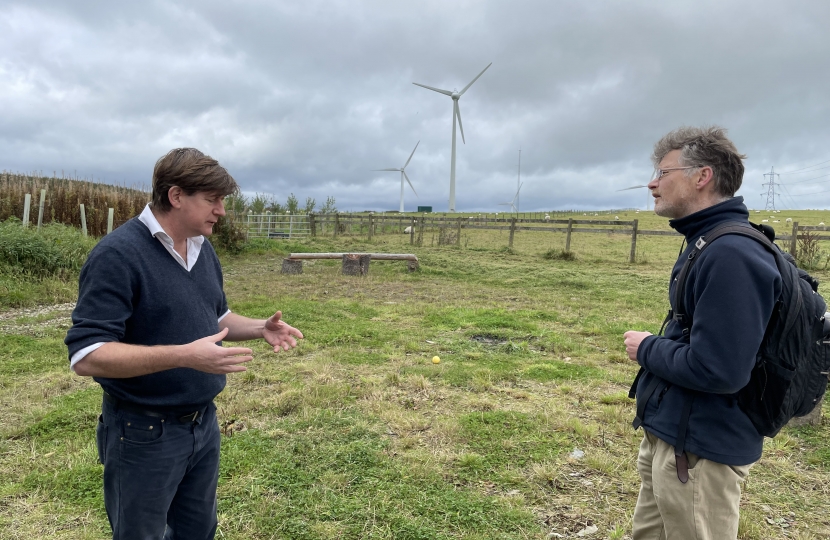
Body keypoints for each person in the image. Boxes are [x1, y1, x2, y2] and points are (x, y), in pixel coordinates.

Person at [65, 148, 304, 540]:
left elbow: (218, 318)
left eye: (222, 200)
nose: (221, 211)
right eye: (212, 199)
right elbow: (88, 355)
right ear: (176, 196)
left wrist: (261, 327)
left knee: (197, 532)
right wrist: (186, 356)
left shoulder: (200, 248)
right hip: (142, 431)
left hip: (202, 425)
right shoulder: (117, 255)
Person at [623, 127, 781, 540]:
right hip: (676, 437)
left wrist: (647, 348)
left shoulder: (731, 254)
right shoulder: (706, 241)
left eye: (662, 171)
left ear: (702, 177)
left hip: (700, 451)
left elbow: (720, 370)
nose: (652, 183)